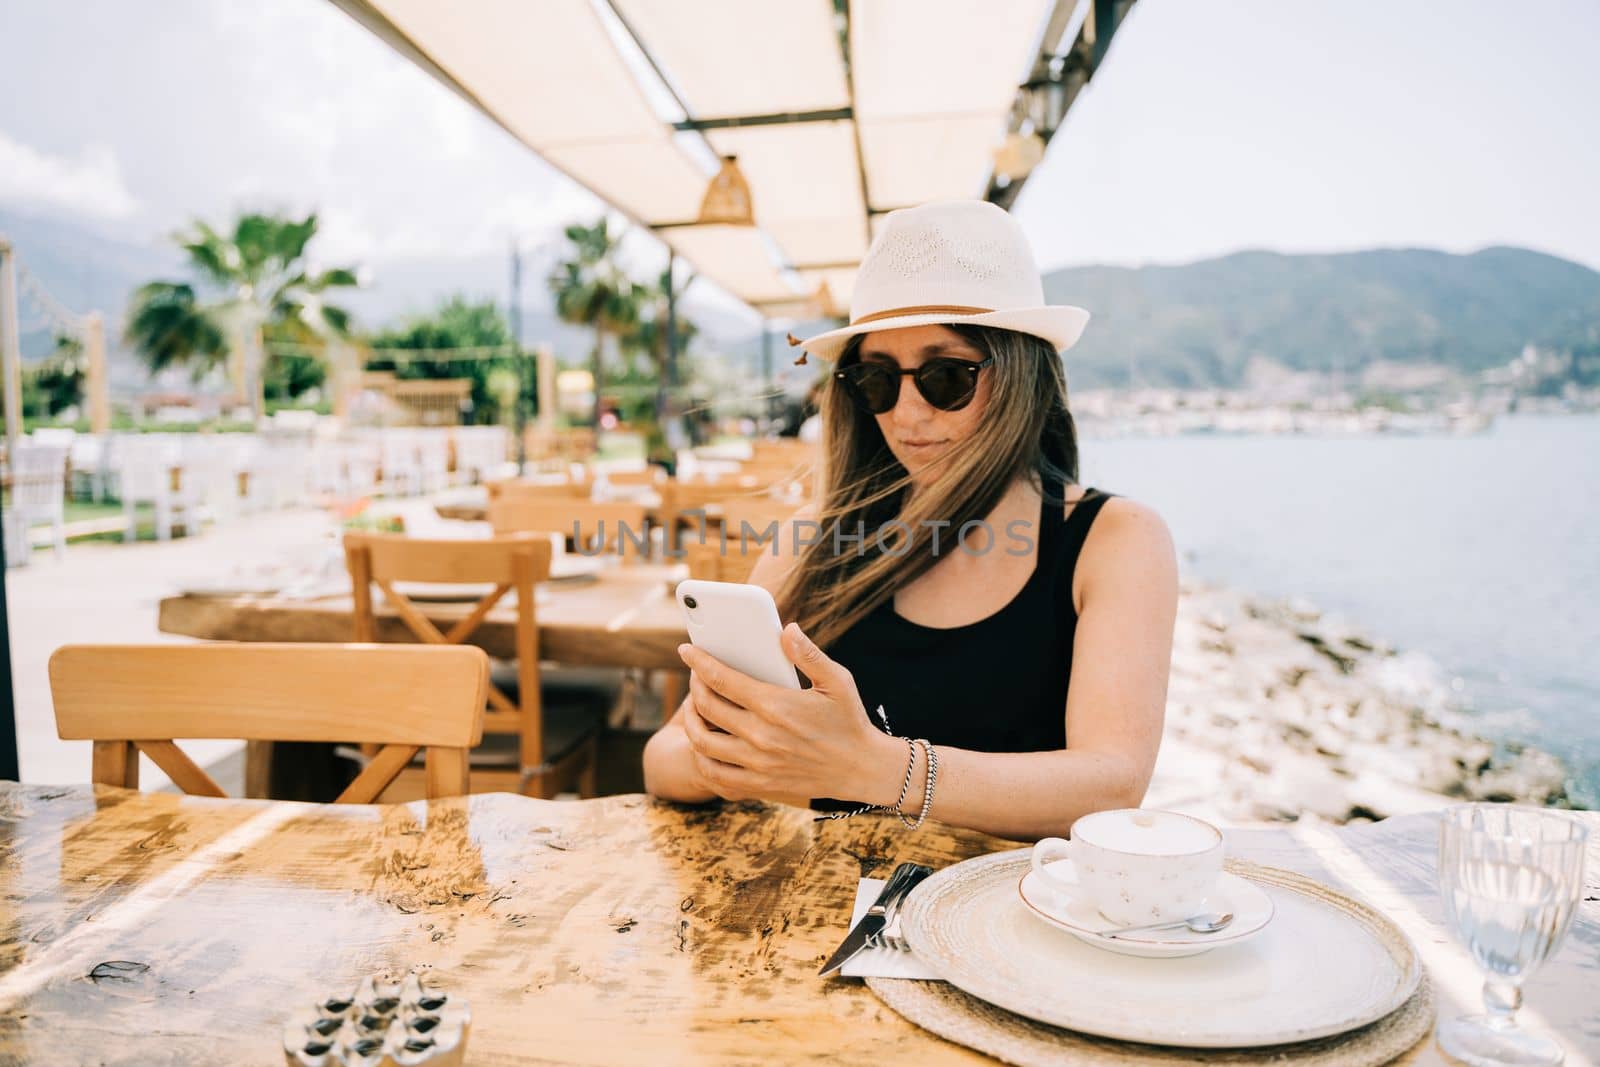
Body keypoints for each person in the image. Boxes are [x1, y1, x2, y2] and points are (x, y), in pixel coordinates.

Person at [643, 200, 1177, 841]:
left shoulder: (1113, 539)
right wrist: (740, 757)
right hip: (825, 922)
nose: (906, 414)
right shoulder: (814, 538)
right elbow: (662, 758)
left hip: (1010, 922)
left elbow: (1113, 786)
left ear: (1022, 375)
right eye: (876, 380)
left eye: (944, 376)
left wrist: (872, 768)